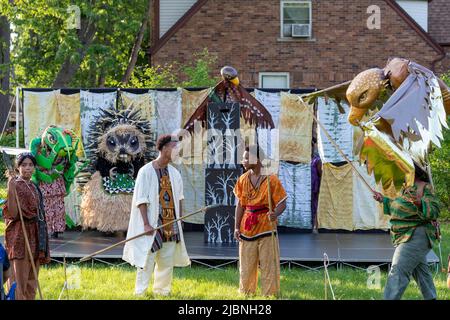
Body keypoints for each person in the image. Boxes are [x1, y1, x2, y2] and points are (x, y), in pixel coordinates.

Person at [122, 135, 190, 297]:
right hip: (152, 224)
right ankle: (141, 292)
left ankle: (162, 291)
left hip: (170, 224)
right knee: (146, 260)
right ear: (164, 148)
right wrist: (145, 224)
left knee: (166, 261)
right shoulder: (145, 171)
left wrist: (179, 220)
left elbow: (179, 199)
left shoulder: (175, 173)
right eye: (174, 148)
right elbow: (141, 199)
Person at [373, 165, 440, 300]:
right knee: (422, 275)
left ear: (413, 171)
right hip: (408, 235)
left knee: (397, 271)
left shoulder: (424, 187)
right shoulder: (407, 189)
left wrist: (420, 203)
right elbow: (401, 207)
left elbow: (435, 210)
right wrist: (383, 200)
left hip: (417, 234)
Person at [233, 145, 287, 296]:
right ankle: (246, 292)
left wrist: (275, 214)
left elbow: (283, 202)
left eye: (245, 158)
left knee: (268, 264)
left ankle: (270, 294)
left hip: (266, 227)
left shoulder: (271, 179)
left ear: (256, 159)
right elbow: (240, 205)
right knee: (246, 264)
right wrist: (236, 227)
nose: (242, 161)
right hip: (247, 228)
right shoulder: (243, 179)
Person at [3, 152, 50, 300]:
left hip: (35, 236)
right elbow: (12, 213)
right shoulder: (15, 184)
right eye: (24, 165)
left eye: (30, 165)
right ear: (18, 168)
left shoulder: (34, 186)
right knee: (19, 279)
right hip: (20, 237)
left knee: (31, 280)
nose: (27, 168)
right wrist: (10, 189)